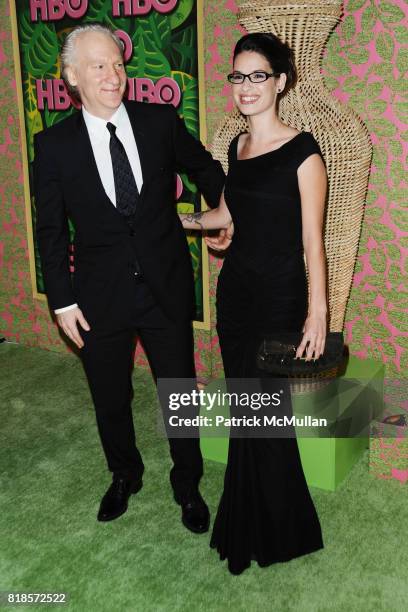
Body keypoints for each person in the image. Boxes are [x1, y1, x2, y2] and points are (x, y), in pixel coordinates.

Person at [34, 23, 226, 531]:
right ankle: (125, 474)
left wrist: (225, 213)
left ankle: (187, 484)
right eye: (99, 66)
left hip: (163, 286)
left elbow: (205, 168)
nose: (114, 75)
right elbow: (50, 231)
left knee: (178, 392)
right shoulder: (52, 146)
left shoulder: (160, 122)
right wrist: (62, 302)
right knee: (110, 396)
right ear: (73, 76)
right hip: (97, 298)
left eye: (118, 64)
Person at [179, 33, 327, 574]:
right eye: (238, 76)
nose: (245, 86)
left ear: (280, 82)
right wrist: (179, 220)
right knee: (249, 412)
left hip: (279, 298)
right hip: (236, 293)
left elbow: (313, 242)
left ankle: (274, 528)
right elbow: (227, 218)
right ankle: (259, 523)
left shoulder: (304, 152)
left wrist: (318, 313)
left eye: (257, 75)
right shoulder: (236, 151)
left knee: (264, 413)